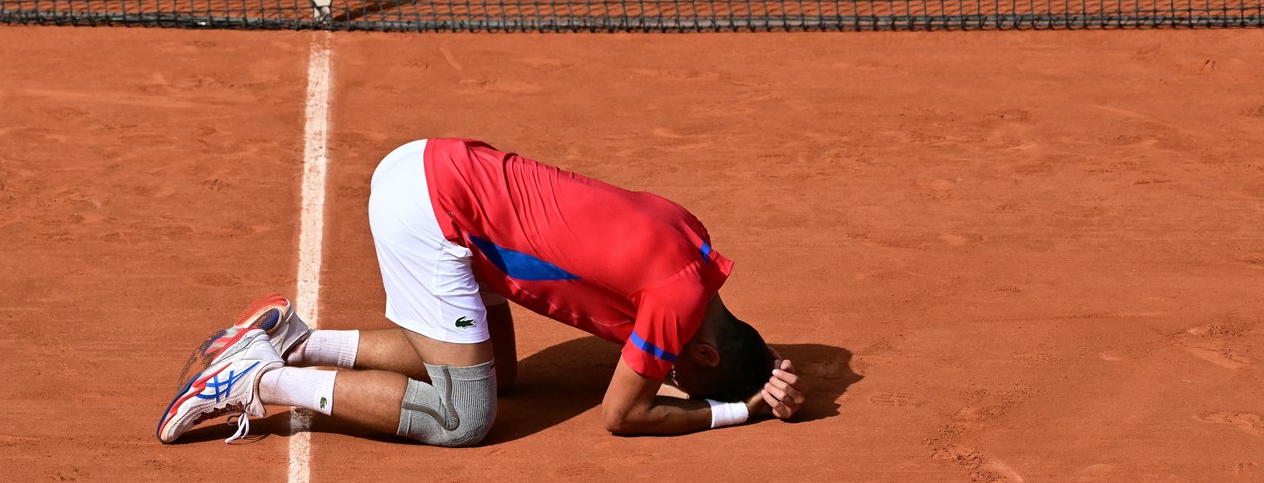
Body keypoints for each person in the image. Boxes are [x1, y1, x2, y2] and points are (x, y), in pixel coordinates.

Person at [157, 137, 807, 445]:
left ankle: (296, 339)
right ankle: (258, 380)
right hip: (439, 217)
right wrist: (740, 409)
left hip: (448, 172)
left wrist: (765, 365)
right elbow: (623, 414)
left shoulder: (693, 243)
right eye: (681, 374)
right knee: (462, 416)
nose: (665, 373)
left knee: (499, 377)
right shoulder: (677, 307)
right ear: (708, 355)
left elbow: (716, 350)